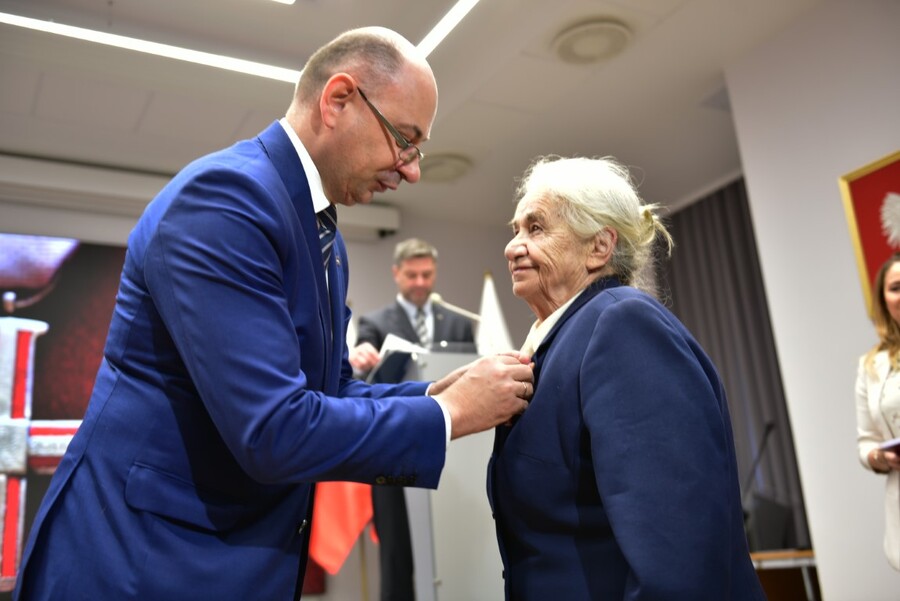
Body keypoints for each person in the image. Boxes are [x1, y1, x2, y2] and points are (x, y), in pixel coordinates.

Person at [14, 27, 534, 601]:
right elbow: (273, 430)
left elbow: (330, 391)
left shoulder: (323, 235)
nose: (410, 170)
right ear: (338, 100)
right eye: (403, 140)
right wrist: (449, 416)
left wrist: (436, 394)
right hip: (141, 564)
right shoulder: (225, 201)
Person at [488, 155, 765, 600]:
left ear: (599, 247)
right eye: (515, 229)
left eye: (536, 228)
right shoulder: (561, 342)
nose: (513, 247)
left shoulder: (622, 325)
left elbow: (676, 552)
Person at [349, 237, 475, 601]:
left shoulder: (458, 323)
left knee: (453, 547)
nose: (420, 282)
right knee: (397, 555)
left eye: (427, 275)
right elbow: (362, 385)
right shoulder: (374, 323)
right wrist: (361, 360)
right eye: (412, 275)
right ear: (397, 274)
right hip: (396, 452)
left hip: (451, 452)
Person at [855, 252, 900, 571]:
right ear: (884, 300)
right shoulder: (871, 365)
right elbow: (866, 441)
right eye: (895, 288)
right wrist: (878, 457)